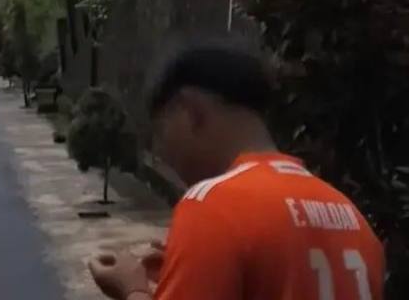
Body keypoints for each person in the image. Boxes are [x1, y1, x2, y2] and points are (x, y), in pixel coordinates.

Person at [88, 40, 384, 300]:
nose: (162, 153)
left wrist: (132, 289)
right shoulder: (353, 219)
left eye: (160, 133)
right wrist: (196, 266)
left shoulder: (211, 207)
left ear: (189, 111)